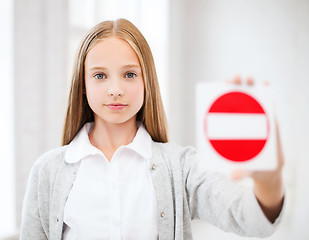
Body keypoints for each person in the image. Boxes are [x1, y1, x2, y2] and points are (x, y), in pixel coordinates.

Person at [20, 18, 284, 240]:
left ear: (148, 82)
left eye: (130, 74)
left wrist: (269, 181)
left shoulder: (181, 167)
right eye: (100, 75)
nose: (115, 89)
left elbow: (250, 220)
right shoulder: (48, 171)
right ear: (83, 85)